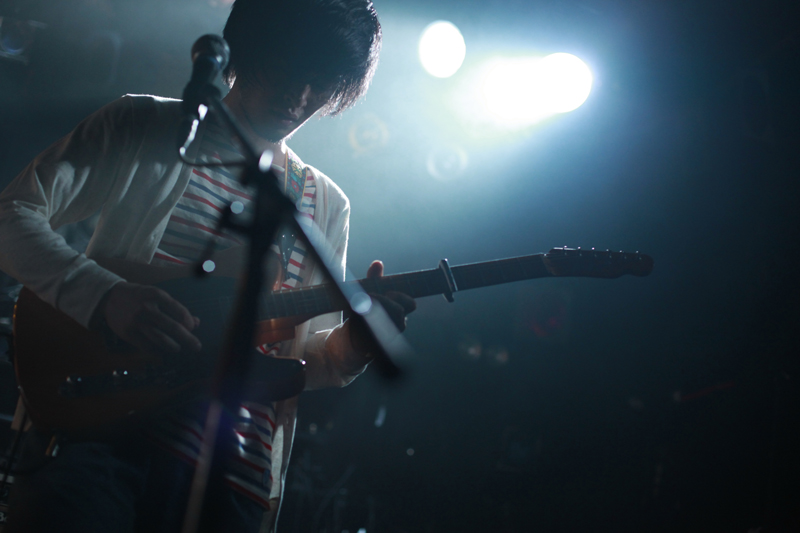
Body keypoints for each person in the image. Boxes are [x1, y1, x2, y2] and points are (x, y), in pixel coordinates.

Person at [0, 0, 415, 531]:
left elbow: (309, 359)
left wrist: (354, 345)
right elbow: (11, 214)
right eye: (288, 69)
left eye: (322, 83)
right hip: (103, 439)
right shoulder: (145, 124)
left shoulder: (324, 204)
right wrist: (103, 295)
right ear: (249, 47)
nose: (300, 97)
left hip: (234, 479)